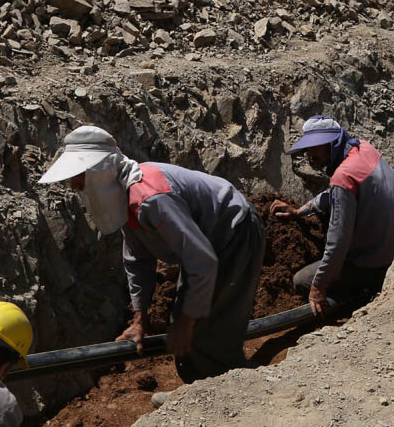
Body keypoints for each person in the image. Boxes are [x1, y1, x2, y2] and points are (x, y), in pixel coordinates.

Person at [38, 126, 265, 404]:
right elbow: (137, 258)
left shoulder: (151, 198)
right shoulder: (127, 196)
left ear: (99, 172)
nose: (75, 186)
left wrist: (186, 321)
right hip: (205, 243)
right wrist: (139, 318)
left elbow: (202, 259)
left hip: (233, 230)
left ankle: (240, 390)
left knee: (210, 322)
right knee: (186, 319)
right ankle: (199, 392)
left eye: (79, 177)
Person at [271, 116, 394, 314]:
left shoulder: (343, 175)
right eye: (308, 148)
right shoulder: (364, 149)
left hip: (374, 263)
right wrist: (301, 211)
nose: (310, 154)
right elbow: (336, 194)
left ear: (332, 143)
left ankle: (353, 300)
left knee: (300, 281)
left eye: (316, 147)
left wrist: (319, 286)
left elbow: (338, 241)